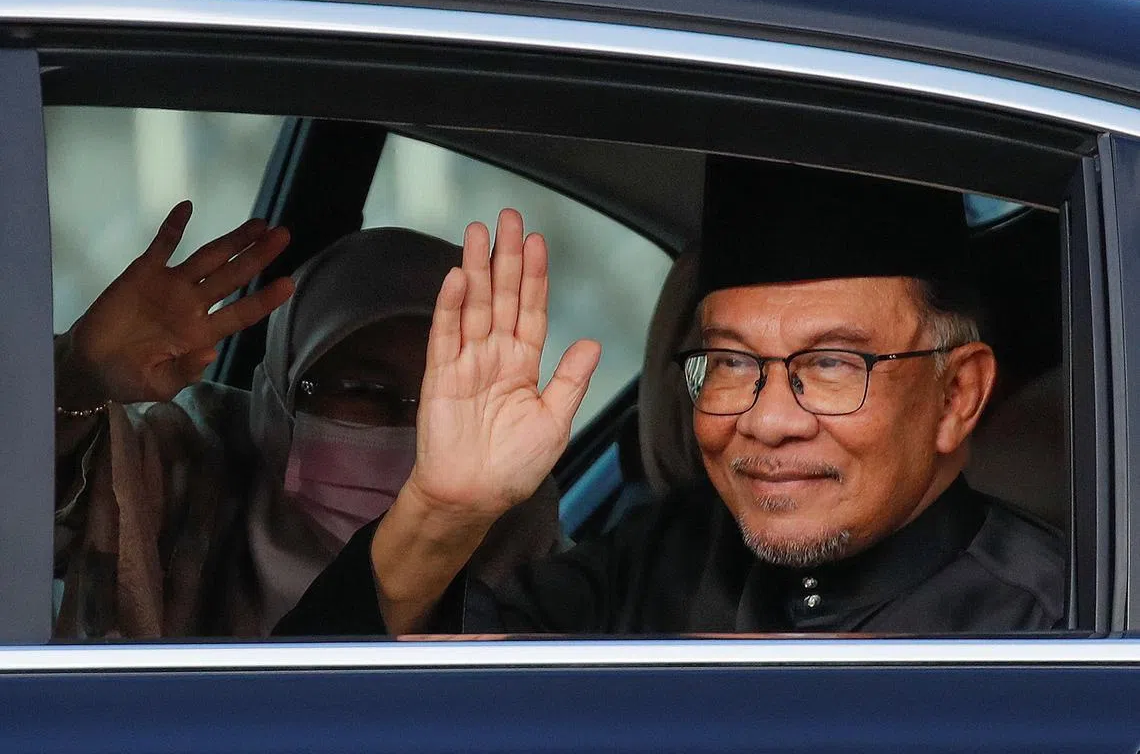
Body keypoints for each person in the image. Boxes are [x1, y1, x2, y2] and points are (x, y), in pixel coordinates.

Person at [276, 158, 1065, 637]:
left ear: (958, 394)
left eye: (830, 365)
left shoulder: (1056, 631)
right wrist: (442, 512)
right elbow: (316, 713)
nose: (767, 419)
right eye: (729, 362)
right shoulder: (664, 556)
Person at [53, 203, 560, 639]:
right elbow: (33, 517)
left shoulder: (539, 561)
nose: (415, 425)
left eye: (439, 398)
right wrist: (75, 376)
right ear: (281, 397)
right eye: (365, 391)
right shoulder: (183, 471)